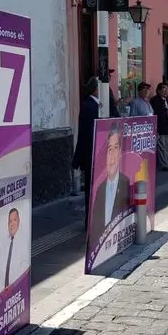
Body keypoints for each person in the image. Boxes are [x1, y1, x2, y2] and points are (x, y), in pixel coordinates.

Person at [90, 124, 131, 237]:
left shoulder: (126, 182)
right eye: (109, 149)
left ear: (120, 153)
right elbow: (95, 230)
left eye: (116, 148)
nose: (112, 155)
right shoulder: (100, 189)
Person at [72, 77, 100, 231]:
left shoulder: (96, 104)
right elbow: (85, 134)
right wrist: (79, 158)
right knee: (92, 189)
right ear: (96, 89)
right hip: (92, 154)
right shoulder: (90, 105)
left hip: (96, 154)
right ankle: (90, 222)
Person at [0, 207, 25, 291]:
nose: (12, 224)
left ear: (19, 221)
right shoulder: (3, 244)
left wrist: (13, 286)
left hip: (17, 289)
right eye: (9, 222)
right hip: (1, 292)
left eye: (14, 220)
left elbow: (24, 269)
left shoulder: (24, 241)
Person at [150, 83, 168, 171]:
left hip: (167, 127)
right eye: (163, 89)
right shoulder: (155, 100)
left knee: (166, 146)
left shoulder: (166, 100)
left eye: (167, 89)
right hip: (161, 126)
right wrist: (167, 113)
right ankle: (164, 164)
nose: (166, 91)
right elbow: (157, 113)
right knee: (162, 146)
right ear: (158, 90)